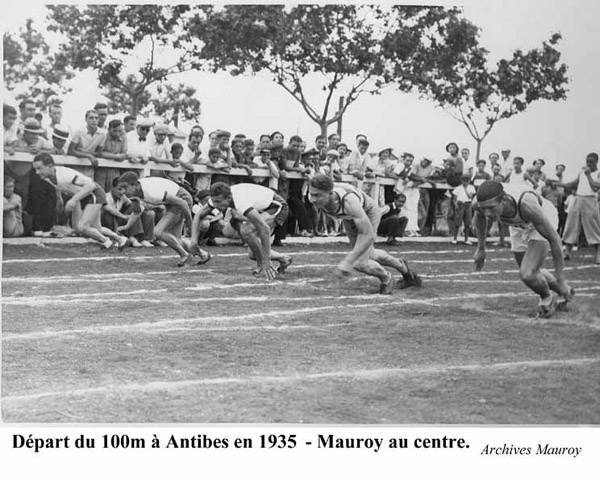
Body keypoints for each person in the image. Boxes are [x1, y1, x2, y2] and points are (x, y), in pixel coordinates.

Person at [472, 180, 574, 317]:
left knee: (527, 273)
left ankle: (547, 298)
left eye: (491, 208)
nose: (488, 213)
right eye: (484, 208)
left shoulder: (527, 204)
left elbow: (555, 239)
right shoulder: (479, 203)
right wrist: (481, 248)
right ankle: (564, 291)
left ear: (504, 200)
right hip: (517, 225)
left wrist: (561, 277)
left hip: (540, 217)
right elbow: (479, 216)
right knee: (529, 272)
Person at [308, 174, 422, 294]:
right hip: (349, 217)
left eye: (317, 195)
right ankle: (402, 266)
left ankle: (386, 278)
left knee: (359, 262)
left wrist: (348, 261)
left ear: (330, 193)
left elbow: (367, 234)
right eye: (311, 194)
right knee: (370, 254)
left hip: (368, 212)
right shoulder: (323, 194)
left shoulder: (349, 201)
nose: (312, 199)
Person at [191, 182, 292, 280]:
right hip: (262, 207)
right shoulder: (223, 198)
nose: (215, 205)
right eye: (214, 201)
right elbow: (199, 214)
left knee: (246, 230)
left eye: (218, 202)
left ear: (229, 198)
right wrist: (194, 240)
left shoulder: (240, 202)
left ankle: (262, 264)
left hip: (277, 206)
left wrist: (266, 260)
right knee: (253, 254)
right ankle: (284, 258)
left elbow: (264, 228)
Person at [32, 153, 128, 249]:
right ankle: (120, 239)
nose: (37, 172)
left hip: (94, 193)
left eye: (39, 168)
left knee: (82, 227)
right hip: (86, 196)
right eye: (35, 169)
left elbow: (91, 185)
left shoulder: (65, 174)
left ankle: (107, 242)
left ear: (50, 166)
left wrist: (73, 200)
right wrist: (59, 199)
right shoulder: (47, 177)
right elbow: (59, 187)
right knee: (96, 228)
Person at [117, 171, 207, 265]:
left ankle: (184, 254)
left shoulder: (151, 191)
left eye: (125, 187)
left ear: (135, 185)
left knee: (158, 231)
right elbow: (137, 211)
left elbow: (182, 203)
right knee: (176, 238)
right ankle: (203, 254)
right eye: (121, 188)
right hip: (172, 202)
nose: (123, 191)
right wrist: (127, 226)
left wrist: (189, 224)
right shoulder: (134, 193)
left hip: (182, 198)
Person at [558, 152, 600, 264]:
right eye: (587, 161)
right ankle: (567, 252)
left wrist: (589, 175)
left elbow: (596, 187)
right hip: (578, 198)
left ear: (596, 162)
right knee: (571, 225)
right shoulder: (581, 172)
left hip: (591, 200)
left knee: (593, 227)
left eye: (591, 162)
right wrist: (558, 184)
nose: (589, 164)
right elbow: (573, 184)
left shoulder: (598, 173)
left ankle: (598, 255)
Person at [451, 174, 476, 245]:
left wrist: (465, 189)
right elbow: (454, 198)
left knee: (467, 222)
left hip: (468, 204)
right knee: (457, 222)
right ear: (461, 181)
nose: (465, 182)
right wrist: (455, 205)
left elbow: (470, 196)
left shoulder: (471, 188)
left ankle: (466, 239)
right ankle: (455, 238)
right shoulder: (458, 188)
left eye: (467, 181)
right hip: (460, 204)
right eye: (464, 181)